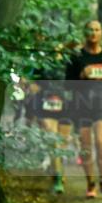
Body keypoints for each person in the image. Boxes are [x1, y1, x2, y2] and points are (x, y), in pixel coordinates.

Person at [65, 20, 102, 198]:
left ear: (101, 33)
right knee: (86, 146)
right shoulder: (77, 56)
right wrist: (82, 75)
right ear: (85, 33)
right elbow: (68, 85)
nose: (93, 33)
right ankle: (91, 183)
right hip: (82, 105)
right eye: (90, 29)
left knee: (101, 142)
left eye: (97, 30)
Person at [25, 43, 73, 194]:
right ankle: (58, 179)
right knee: (54, 142)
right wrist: (31, 85)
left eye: (60, 47)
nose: (56, 49)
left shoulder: (70, 63)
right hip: (46, 106)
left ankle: (57, 169)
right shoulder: (41, 64)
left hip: (66, 106)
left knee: (63, 143)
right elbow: (28, 80)